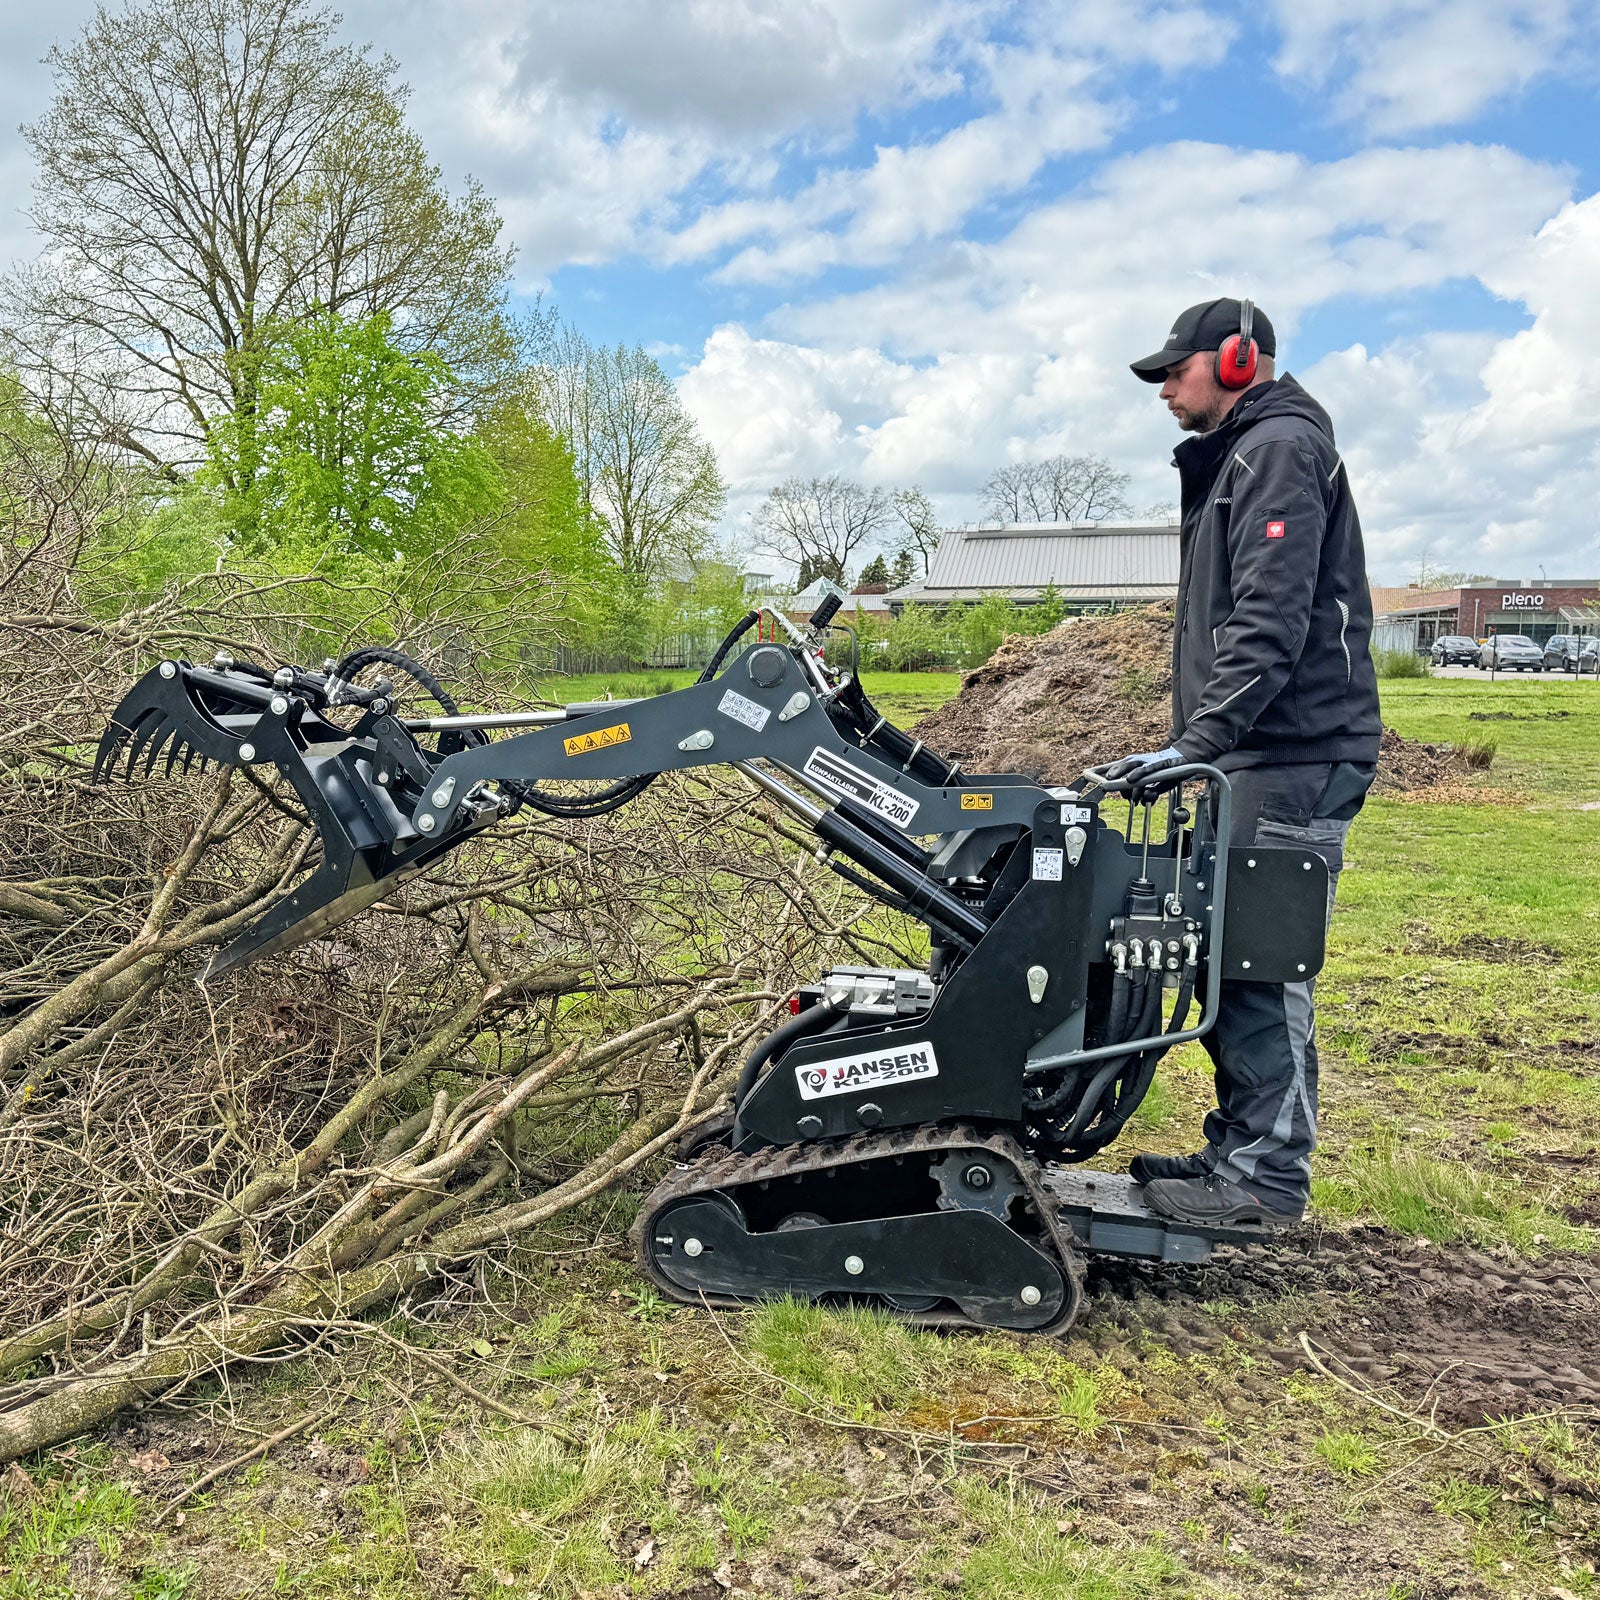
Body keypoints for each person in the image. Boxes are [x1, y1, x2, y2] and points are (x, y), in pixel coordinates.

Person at [1103, 296, 1381, 1228]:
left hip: (1294, 752)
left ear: (1234, 361)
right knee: (1223, 955)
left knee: (1264, 961)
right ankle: (1237, 1147)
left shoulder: (1280, 450)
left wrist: (1196, 743)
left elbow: (1271, 618)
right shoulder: (1244, 457)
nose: (1163, 391)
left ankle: (1264, 1178)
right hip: (1257, 752)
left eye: (1172, 372)